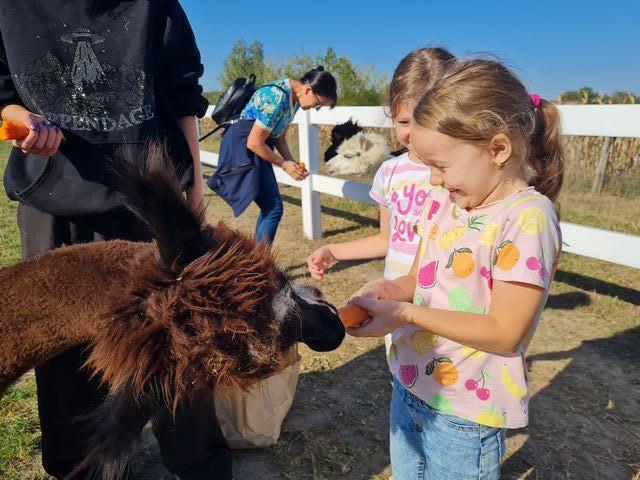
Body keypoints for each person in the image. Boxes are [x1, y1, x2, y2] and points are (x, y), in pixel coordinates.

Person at [0, 1, 232, 478]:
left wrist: (193, 191)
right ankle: (84, 466)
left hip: (151, 195)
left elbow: (181, 92)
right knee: (63, 351)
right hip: (52, 196)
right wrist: (18, 115)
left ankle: (196, 462)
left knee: (177, 336)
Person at [348, 59, 564, 479]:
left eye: (441, 166)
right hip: (410, 386)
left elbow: (505, 331)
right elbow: (423, 277)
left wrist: (406, 314)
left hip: (465, 413)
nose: (431, 180)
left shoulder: (526, 218)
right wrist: (393, 291)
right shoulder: (447, 202)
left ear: (498, 149)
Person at [307, 48, 456, 358]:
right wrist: (334, 251)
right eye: (404, 121)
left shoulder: (458, 175)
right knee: (402, 369)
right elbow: (387, 239)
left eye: (427, 120)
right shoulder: (391, 173)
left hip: (444, 305)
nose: (414, 133)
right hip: (394, 301)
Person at [208, 67, 337, 243]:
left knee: (272, 207)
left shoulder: (295, 100)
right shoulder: (276, 98)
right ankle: (259, 263)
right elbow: (254, 142)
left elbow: (279, 137)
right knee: (273, 208)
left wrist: (291, 162)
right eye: (318, 104)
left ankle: (257, 261)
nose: (316, 108)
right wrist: (284, 164)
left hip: (256, 146)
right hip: (244, 147)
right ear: (308, 89)